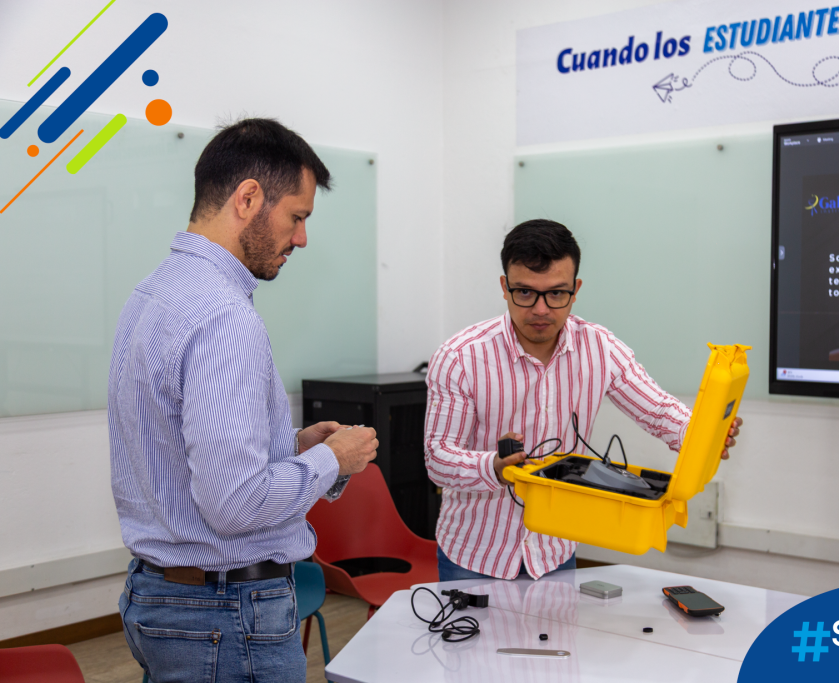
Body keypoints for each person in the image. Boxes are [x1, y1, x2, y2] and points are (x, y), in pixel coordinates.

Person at [108, 118, 379, 682]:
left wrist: (294, 445)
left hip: (164, 599)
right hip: (224, 616)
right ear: (249, 198)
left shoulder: (153, 292)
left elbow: (176, 447)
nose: (301, 238)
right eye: (297, 217)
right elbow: (233, 505)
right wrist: (335, 459)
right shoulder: (224, 317)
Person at [424, 219, 742, 581]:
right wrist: (495, 467)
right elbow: (438, 457)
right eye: (525, 293)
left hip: (554, 549)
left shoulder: (600, 348)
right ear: (504, 286)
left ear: (575, 289)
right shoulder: (460, 357)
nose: (541, 309)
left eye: (556, 293)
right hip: (476, 552)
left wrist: (703, 434)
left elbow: (659, 411)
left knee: (556, 641)